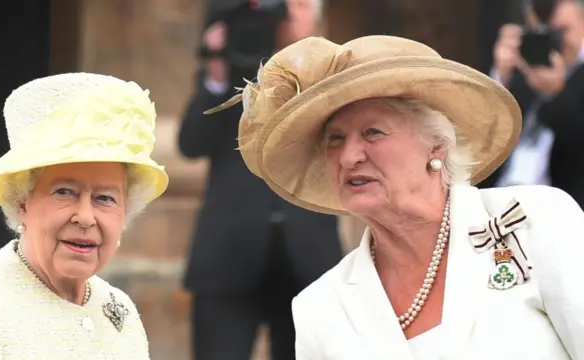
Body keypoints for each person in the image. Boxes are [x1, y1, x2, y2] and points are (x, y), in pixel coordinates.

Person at [212, 35, 584, 359]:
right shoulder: (319, 310)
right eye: (335, 139)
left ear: (436, 146)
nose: (349, 156)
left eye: (372, 133)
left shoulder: (534, 222)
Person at [0, 72, 169, 359]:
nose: (86, 217)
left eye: (105, 198)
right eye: (64, 192)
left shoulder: (118, 307)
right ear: (22, 201)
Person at [178, 0, 342, 359]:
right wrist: (217, 74)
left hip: (308, 259)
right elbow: (190, 144)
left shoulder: (326, 72)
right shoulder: (230, 73)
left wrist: (304, 49)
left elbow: (337, 135)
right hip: (228, 256)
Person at [481, 0, 584, 209]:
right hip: (499, 196)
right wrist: (500, 77)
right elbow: (480, 132)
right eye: (542, 33)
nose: (555, 41)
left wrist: (555, 95)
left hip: (557, 205)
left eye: (562, 30)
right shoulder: (521, 74)